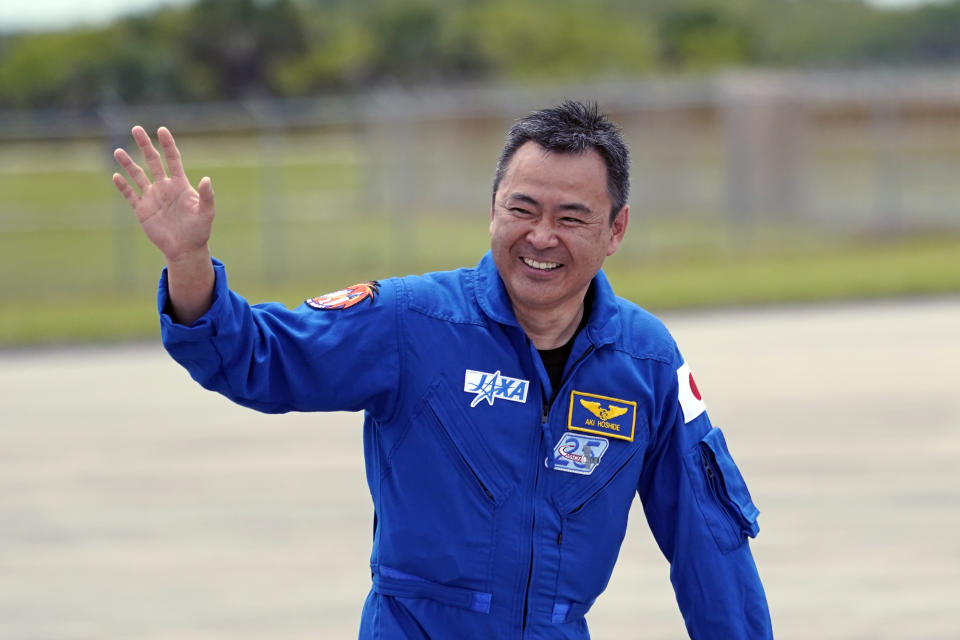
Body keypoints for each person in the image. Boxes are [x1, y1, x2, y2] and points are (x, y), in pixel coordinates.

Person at [112, 101, 773, 639]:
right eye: (522, 209)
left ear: (616, 229)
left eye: (572, 218)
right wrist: (188, 265)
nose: (541, 237)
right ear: (492, 208)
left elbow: (709, 543)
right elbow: (257, 356)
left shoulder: (646, 362)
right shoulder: (410, 321)